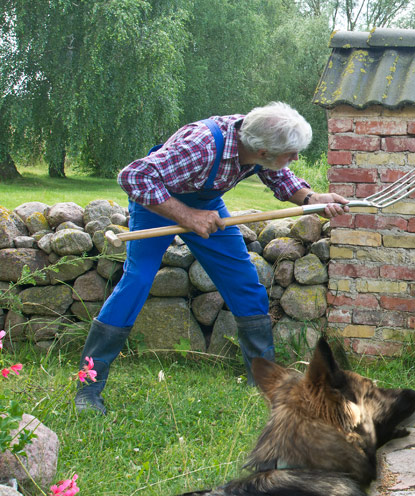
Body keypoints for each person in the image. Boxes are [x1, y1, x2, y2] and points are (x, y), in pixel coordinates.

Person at [75, 102, 350, 414]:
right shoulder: (202, 146)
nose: (296, 159)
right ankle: (88, 389)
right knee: (136, 282)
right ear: (262, 152)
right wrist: (186, 215)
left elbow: (279, 175)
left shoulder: (257, 142)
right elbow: (134, 177)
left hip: (205, 206)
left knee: (245, 283)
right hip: (156, 203)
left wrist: (312, 199)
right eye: (291, 153)